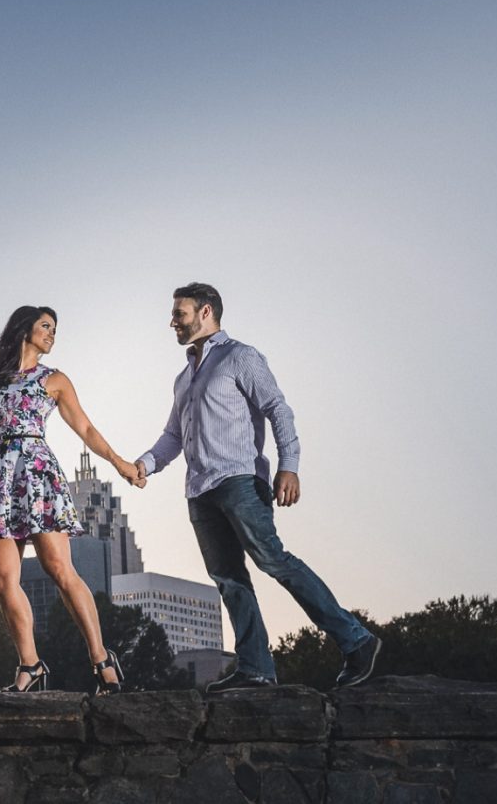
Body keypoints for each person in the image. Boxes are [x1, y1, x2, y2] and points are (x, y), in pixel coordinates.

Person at [131, 282, 381, 691]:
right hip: (199, 490)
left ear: (206, 312)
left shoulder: (240, 357)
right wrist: (145, 464)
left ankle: (357, 641)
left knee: (273, 560)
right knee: (229, 579)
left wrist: (290, 466)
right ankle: (256, 669)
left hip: (240, 480)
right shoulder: (183, 378)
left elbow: (277, 409)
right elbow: (173, 436)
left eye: (180, 313)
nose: (172, 321)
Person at [0, 305, 144, 695]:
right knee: (3, 578)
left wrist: (119, 462)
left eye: (54, 329)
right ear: (24, 329)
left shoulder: (54, 380)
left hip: (37, 476)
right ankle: (30, 664)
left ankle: (101, 658)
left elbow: (85, 427)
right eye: (45, 326)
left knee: (60, 569)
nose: (52, 334)